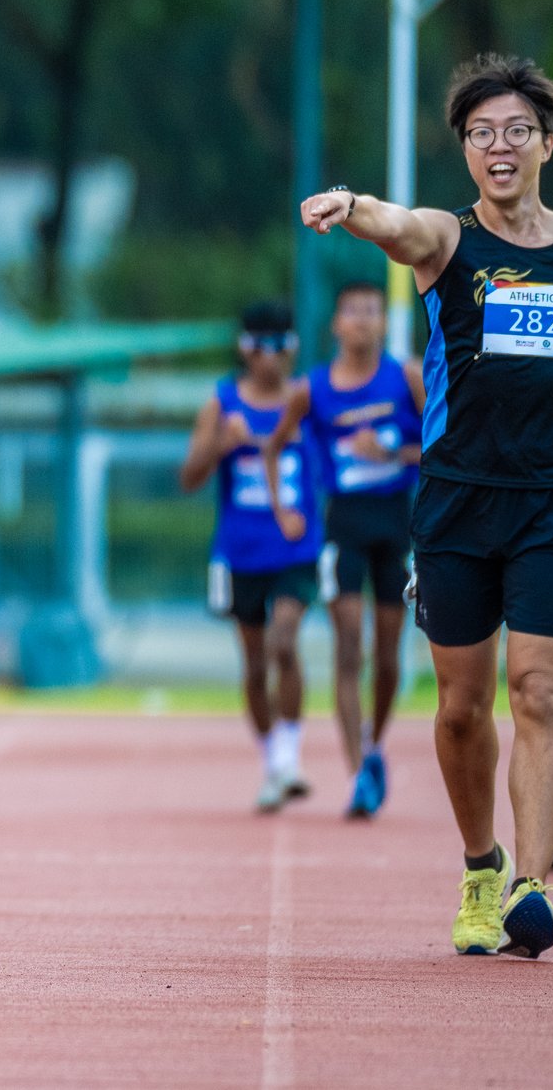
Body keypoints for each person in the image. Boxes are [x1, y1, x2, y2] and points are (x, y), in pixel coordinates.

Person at [298, 52, 553, 959]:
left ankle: (531, 885)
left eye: (515, 131)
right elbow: (401, 225)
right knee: (464, 707)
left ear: (545, 142)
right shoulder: (449, 241)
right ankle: (480, 864)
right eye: (480, 134)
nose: (498, 147)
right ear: (466, 150)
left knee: (540, 691)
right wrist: (354, 209)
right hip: (459, 505)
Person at [259, 282, 425, 819]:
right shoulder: (312, 389)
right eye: (351, 311)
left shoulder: (407, 377)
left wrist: (396, 451)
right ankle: (359, 772)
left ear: (382, 323)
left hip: (396, 525)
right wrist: (283, 505)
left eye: (372, 311)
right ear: (336, 324)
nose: (362, 320)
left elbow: (445, 445)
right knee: (348, 646)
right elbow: (275, 443)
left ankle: (376, 742)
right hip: (344, 526)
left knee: (389, 652)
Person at [181, 302, 327, 812]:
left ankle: (289, 757)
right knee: (254, 661)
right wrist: (222, 443)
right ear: (245, 348)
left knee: (284, 642)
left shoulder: (306, 400)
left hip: (295, 546)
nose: (273, 358)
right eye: (262, 346)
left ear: (295, 348)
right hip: (240, 552)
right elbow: (189, 477)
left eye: (283, 345)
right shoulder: (221, 403)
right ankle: (273, 761)